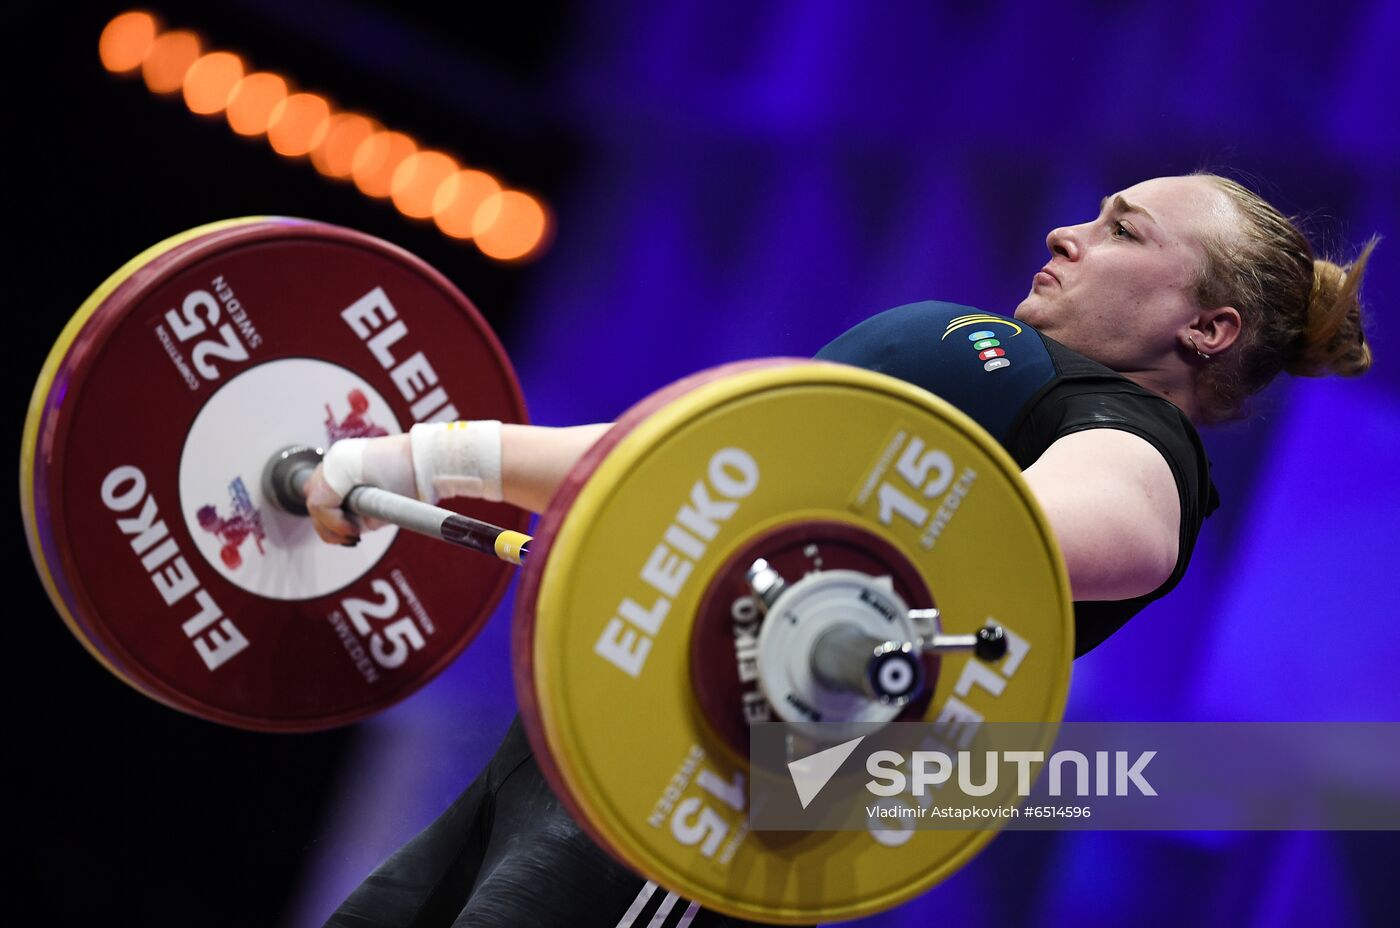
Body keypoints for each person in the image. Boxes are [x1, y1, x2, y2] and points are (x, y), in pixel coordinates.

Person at [305, 173, 1375, 927]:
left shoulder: (1133, 438)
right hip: (589, 754)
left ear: (1207, 330)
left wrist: (836, 537)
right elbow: (681, 458)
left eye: (1121, 230)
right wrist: (433, 455)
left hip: (708, 820)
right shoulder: (1002, 379)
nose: (1065, 234)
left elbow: (1121, 531)